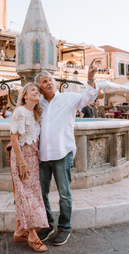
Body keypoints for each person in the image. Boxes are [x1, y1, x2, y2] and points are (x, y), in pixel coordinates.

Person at [35, 59, 97, 246]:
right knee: (42, 193)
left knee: (64, 193)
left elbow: (89, 97)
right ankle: (47, 226)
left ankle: (64, 228)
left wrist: (91, 77)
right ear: (40, 86)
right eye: (44, 81)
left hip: (63, 154)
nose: (49, 82)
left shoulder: (68, 98)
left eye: (50, 79)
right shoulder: (38, 105)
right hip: (42, 156)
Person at [9, 83, 49, 252]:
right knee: (26, 194)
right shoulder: (20, 111)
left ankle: (19, 231)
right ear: (24, 95)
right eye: (33, 90)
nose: (37, 92)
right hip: (23, 159)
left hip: (33, 158)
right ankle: (32, 234)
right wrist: (22, 163)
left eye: (38, 91)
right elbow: (14, 138)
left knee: (29, 192)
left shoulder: (35, 113)